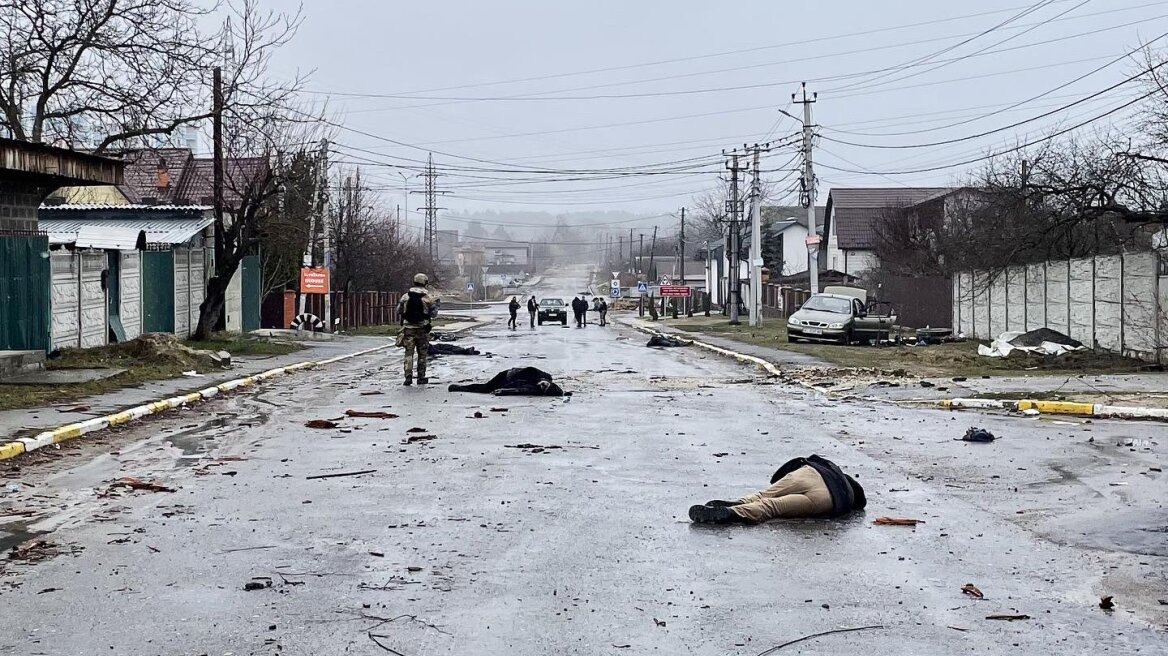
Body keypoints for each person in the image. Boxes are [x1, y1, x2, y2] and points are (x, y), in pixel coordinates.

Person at [688, 455, 866, 524]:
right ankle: (734, 512)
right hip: (828, 500)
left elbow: (791, 465)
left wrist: (776, 483)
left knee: (765, 494)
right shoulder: (847, 497)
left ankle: (743, 501)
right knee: (773, 507)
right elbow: (860, 502)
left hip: (810, 473)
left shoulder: (832, 468)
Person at [396, 273, 438, 386]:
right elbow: (434, 314)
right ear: (425, 282)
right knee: (422, 354)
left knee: (408, 354)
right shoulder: (428, 297)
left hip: (408, 329)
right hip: (422, 329)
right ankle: (421, 377)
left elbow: (399, 311)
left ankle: (408, 376)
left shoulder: (405, 296)